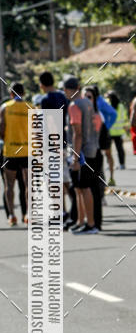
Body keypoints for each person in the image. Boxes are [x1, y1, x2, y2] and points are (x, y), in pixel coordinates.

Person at [63, 76, 98, 235]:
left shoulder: (74, 105)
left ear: (70, 89)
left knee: (83, 188)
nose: (64, 92)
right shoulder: (88, 103)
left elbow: (77, 133)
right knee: (78, 188)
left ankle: (90, 224)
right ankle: (81, 221)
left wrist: (76, 158)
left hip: (81, 151)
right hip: (91, 148)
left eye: (65, 89)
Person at [38, 71, 70, 223]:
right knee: (64, 179)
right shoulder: (63, 96)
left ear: (42, 85)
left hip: (52, 144)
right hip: (63, 141)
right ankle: (70, 209)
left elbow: (50, 121)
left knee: (53, 181)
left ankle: (59, 212)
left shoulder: (46, 99)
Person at [0, 82, 31, 226]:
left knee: (9, 185)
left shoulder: (5, 108)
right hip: (27, 151)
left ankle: (11, 215)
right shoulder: (31, 107)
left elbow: (1, 130)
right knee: (28, 185)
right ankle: (28, 214)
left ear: (11, 94)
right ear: (23, 93)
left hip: (10, 150)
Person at [83, 88, 105, 230]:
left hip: (94, 154)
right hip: (86, 154)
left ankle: (95, 223)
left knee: (93, 189)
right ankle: (88, 220)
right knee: (86, 188)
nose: (86, 99)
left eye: (89, 97)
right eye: (84, 96)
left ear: (94, 99)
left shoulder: (96, 115)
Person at [92, 84, 116, 184]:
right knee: (96, 154)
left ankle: (111, 177)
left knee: (108, 154)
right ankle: (100, 177)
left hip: (103, 131)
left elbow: (113, 113)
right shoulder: (91, 101)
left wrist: (107, 126)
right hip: (93, 132)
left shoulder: (101, 102)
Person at [107, 91, 128, 171]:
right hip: (119, 131)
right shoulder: (121, 106)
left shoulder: (108, 105)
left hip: (109, 131)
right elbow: (124, 117)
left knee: (108, 149)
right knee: (120, 149)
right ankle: (122, 164)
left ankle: (110, 164)